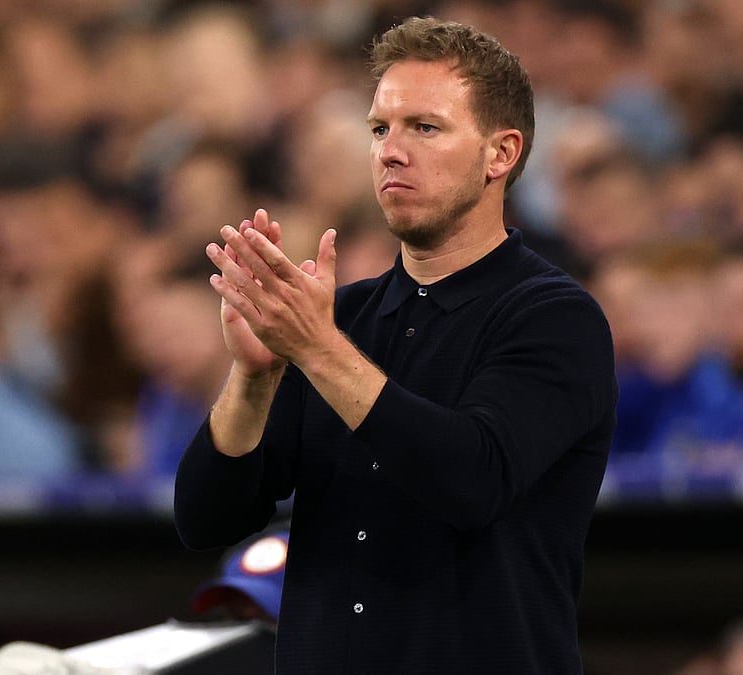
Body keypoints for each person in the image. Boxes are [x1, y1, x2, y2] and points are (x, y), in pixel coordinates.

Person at [173, 16, 617, 674]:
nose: (390, 151)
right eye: (380, 128)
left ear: (501, 153)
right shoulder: (343, 317)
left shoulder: (555, 317)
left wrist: (318, 350)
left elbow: (473, 478)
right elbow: (205, 518)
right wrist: (254, 376)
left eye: (425, 127)